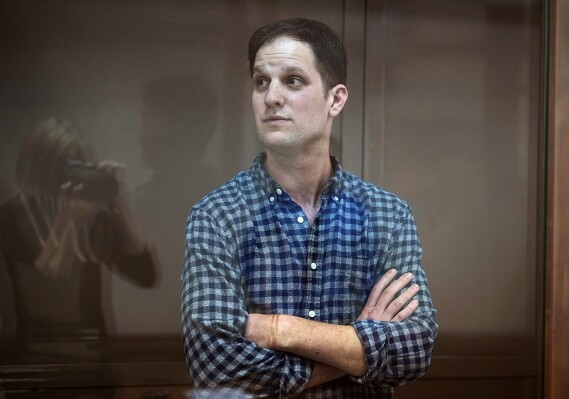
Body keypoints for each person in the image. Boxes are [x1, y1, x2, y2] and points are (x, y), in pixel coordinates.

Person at [181, 18, 437, 398]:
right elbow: (215, 366)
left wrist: (279, 330)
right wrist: (355, 343)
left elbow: (415, 348)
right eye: (261, 81)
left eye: (293, 80)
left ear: (335, 99)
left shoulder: (387, 215)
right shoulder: (217, 216)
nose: (271, 97)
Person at [0, 117, 157, 344]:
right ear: (40, 166)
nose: (70, 176)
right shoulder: (10, 219)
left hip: (92, 350)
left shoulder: (93, 217)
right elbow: (44, 294)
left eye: (80, 165)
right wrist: (67, 221)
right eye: (65, 166)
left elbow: (145, 274)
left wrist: (119, 199)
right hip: (32, 352)